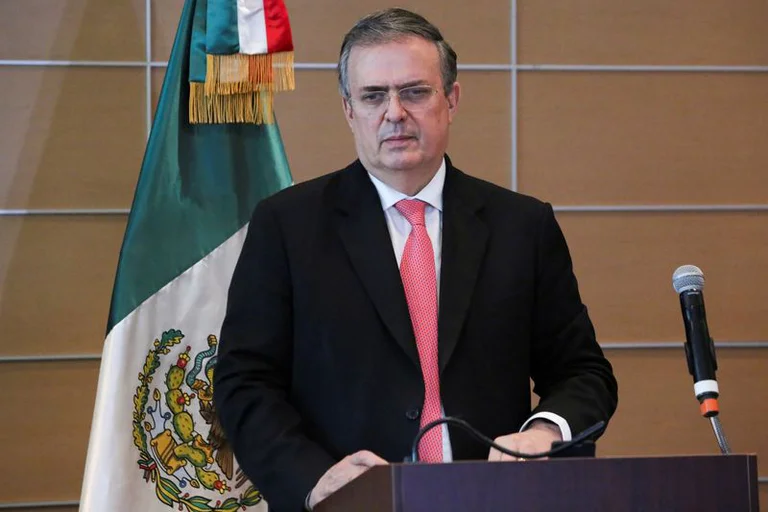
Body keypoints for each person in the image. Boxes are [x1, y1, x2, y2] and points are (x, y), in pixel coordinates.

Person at [214, 7, 618, 512]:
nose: (394, 113)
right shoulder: (287, 225)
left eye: (414, 92)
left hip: (494, 500)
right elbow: (244, 382)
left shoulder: (522, 226)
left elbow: (582, 372)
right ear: (349, 110)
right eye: (373, 96)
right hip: (349, 504)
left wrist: (545, 432)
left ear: (452, 99)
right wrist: (313, 478)